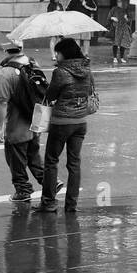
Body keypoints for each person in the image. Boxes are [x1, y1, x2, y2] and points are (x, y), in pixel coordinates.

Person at [37, 38, 93, 214]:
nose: (56, 56)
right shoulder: (86, 69)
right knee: (74, 163)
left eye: (57, 52)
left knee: (51, 161)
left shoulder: (60, 72)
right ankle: (71, 205)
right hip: (80, 122)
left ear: (64, 53)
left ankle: (49, 203)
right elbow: (90, 90)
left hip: (62, 121)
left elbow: (51, 94)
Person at [0, 46, 56, 203]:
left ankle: (23, 190)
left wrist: (0, 129)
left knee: (15, 159)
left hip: (16, 125)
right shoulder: (33, 64)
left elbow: (2, 103)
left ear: (6, 51)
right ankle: (50, 182)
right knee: (33, 155)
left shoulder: (5, 73)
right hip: (36, 119)